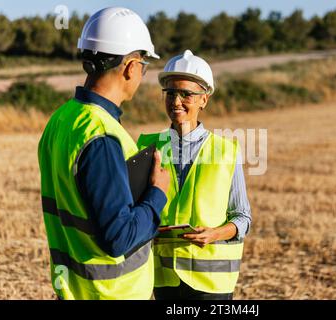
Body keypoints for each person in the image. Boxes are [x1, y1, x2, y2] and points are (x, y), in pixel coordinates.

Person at [37, 7, 169, 300]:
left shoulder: (61, 120)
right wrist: (158, 194)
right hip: (110, 293)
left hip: (74, 289)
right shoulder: (101, 135)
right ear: (131, 66)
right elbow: (118, 238)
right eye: (143, 65)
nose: (141, 73)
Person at [137, 50, 252, 300]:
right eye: (170, 93)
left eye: (186, 94)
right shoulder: (147, 146)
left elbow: (242, 218)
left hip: (211, 284)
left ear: (204, 100)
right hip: (163, 278)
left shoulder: (226, 151)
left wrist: (215, 234)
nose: (176, 101)